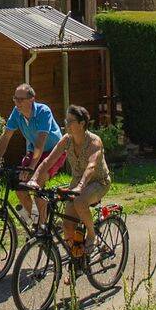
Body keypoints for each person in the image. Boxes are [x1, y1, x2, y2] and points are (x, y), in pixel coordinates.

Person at [28, 104, 111, 256]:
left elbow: (91, 167)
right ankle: (76, 257)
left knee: (80, 202)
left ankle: (92, 235)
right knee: (67, 225)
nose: (66, 124)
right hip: (78, 182)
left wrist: (80, 186)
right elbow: (47, 162)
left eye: (70, 121)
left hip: (98, 181)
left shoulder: (94, 141)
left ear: (82, 124)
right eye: (66, 121)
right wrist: (34, 179)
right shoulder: (66, 140)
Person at [0, 83, 65, 226]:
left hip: (54, 152)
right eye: (15, 99)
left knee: (36, 184)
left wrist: (32, 167)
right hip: (35, 152)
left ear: (32, 99)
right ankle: (38, 222)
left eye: (21, 99)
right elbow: (6, 136)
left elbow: (41, 141)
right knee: (20, 188)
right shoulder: (16, 113)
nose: (17, 103)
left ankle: (42, 228)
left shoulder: (44, 111)